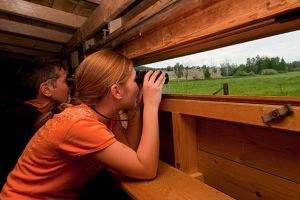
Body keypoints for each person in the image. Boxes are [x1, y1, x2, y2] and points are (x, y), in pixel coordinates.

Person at [0, 49, 166, 199]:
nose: (138, 86)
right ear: (116, 91)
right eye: (133, 80)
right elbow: (146, 170)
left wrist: (135, 110)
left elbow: (130, 153)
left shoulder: (102, 116)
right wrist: (151, 106)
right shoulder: (80, 124)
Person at [0, 60, 69, 188]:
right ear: (46, 89)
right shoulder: (23, 119)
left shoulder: (18, 112)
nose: (68, 87)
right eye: (64, 81)